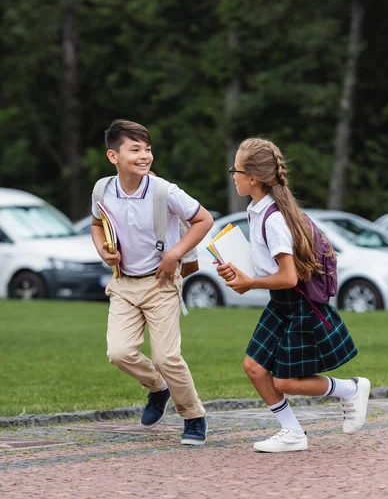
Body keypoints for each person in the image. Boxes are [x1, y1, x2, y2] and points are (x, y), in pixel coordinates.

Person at [217, 138, 370, 453]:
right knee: (254, 368)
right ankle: (293, 433)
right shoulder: (256, 210)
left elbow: (288, 277)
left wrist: (249, 285)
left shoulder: (274, 219)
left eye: (236, 169)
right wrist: (239, 272)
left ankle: (351, 389)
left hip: (299, 306)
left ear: (253, 178)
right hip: (281, 303)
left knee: (284, 381)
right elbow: (268, 265)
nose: (232, 175)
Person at [91, 119, 213, 445]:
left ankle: (193, 416)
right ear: (113, 156)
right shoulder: (102, 189)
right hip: (124, 285)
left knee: (166, 357)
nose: (144, 156)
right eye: (135, 150)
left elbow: (203, 219)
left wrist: (174, 254)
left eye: (147, 149)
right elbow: (95, 224)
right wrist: (103, 249)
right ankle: (158, 389)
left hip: (161, 284)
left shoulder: (164, 191)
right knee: (118, 353)